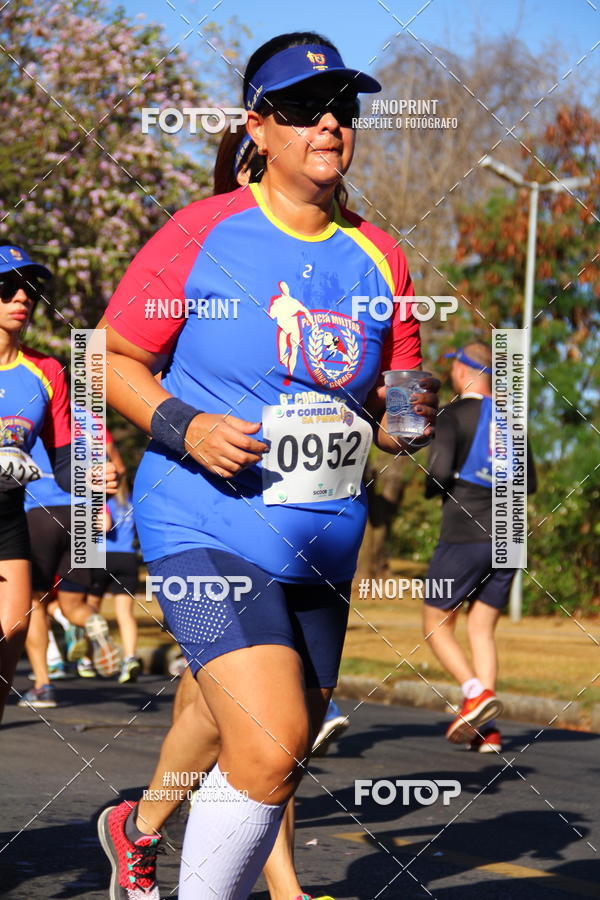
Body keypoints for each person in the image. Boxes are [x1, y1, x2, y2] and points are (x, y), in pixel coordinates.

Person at [96, 31, 438, 900]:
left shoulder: (381, 255)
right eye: (302, 109)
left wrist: (412, 419)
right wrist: (184, 424)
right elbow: (107, 356)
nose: (329, 123)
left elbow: (396, 405)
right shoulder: (199, 233)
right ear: (259, 123)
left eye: (344, 109)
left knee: (274, 761)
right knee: (272, 734)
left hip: (321, 544)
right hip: (203, 519)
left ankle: (143, 834)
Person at [0, 242, 118, 722]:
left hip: (9, 518)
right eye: (7, 289)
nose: (21, 299)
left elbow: (67, 462)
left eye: (29, 290)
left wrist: (96, 477)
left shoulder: (47, 371)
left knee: (12, 631)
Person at [422, 341, 536, 752]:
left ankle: (474, 691)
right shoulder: (511, 420)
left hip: (465, 532)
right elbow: (531, 484)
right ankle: (486, 730)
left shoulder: (453, 415)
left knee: (435, 622)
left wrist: (430, 486)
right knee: (481, 628)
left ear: (464, 372)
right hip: (510, 534)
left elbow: (438, 472)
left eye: (454, 364)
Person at [19, 433, 121, 708]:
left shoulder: (28, 415)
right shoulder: (89, 424)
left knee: (34, 601)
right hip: (85, 515)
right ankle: (90, 622)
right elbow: (113, 470)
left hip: (41, 513)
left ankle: (43, 685)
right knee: (74, 603)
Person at [87, 471, 142, 684]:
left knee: (90, 609)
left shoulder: (102, 500)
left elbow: (104, 525)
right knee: (125, 614)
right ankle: (129, 659)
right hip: (127, 559)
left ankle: (88, 660)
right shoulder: (131, 503)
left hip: (101, 557)